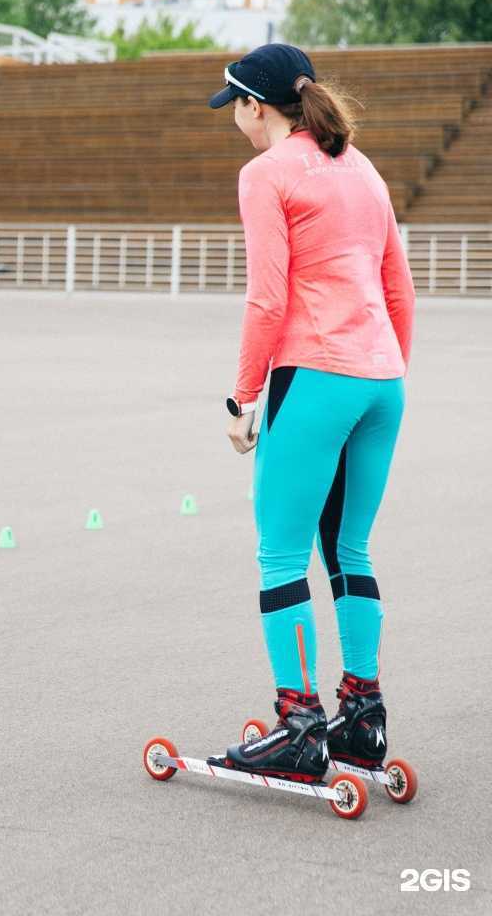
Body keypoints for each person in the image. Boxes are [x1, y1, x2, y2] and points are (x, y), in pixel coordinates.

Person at [207, 44, 415, 780]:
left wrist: (244, 398)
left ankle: (299, 724)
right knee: (349, 550)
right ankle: (362, 715)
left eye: (233, 105)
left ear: (254, 106)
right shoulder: (361, 166)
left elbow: (267, 298)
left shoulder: (265, 174)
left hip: (316, 373)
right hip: (382, 380)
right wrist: (383, 375)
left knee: (280, 552)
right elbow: (401, 293)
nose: (234, 119)